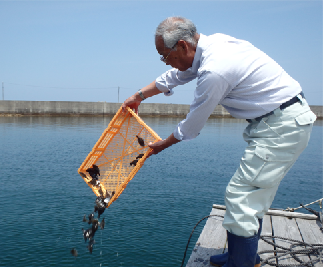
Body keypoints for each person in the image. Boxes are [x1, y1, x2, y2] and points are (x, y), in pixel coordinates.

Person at [121, 16, 316, 267]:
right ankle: (242, 255)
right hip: (279, 121)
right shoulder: (210, 46)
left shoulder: (215, 69)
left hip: (282, 126)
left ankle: (242, 262)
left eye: (164, 55)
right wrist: (138, 96)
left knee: (241, 196)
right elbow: (174, 76)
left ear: (182, 45)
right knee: (252, 195)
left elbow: (192, 124)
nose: (164, 60)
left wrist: (161, 145)